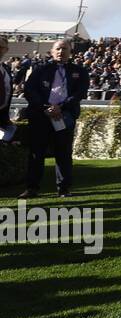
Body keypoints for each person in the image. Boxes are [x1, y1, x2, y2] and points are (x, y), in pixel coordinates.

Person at [20, 38, 90, 199]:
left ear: (70, 52)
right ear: (52, 51)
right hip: (41, 116)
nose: (61, 51)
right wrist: (45, 107)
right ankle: (32, 188)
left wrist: (62, 107)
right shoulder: (40, 69)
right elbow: (29, 90)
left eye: (64, 49)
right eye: (58, 49)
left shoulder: (79, 71)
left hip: (64, 116)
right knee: (36, 153)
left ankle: (64, 189)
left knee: (63, 153)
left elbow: (80, 92)